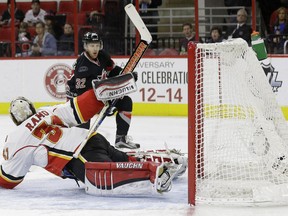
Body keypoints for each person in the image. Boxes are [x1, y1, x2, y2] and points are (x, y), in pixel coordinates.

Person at [0, 91, 187, 191]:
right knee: (123, 160)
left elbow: (8, 180)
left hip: (80, 156)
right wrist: (101, 94)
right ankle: (167, 160)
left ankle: (154, 171)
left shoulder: (15, 137)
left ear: (15, 120)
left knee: (109, 182)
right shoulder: (47, 110)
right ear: (32, 108)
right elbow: (78, 109)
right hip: (93, 138)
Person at [67, 31, 140, 149]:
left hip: (100, 93)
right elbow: (83, 94)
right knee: (82, 129)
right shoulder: (83, 66)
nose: (95, 48)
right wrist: (104, 102)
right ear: (86, 46)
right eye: (91, 45)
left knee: (126, 102)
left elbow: (113, 71)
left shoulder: (103, 56)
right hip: (77, 96)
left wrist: (127, 76)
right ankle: (76, 146)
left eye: (96, 45)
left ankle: (121, 139)